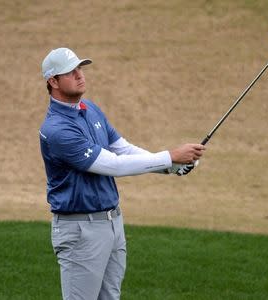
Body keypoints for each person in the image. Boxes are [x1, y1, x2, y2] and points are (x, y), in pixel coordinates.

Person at [39, 47, 205, 300]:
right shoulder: (57, 129)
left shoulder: (90, 109)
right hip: (81, 228)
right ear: (53, 81)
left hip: (111, 223)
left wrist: (169, 168)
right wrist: (170, 157)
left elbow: (123, 149)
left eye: (80, 69)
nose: (80, 75)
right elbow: (112, 165)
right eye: (70, 72)